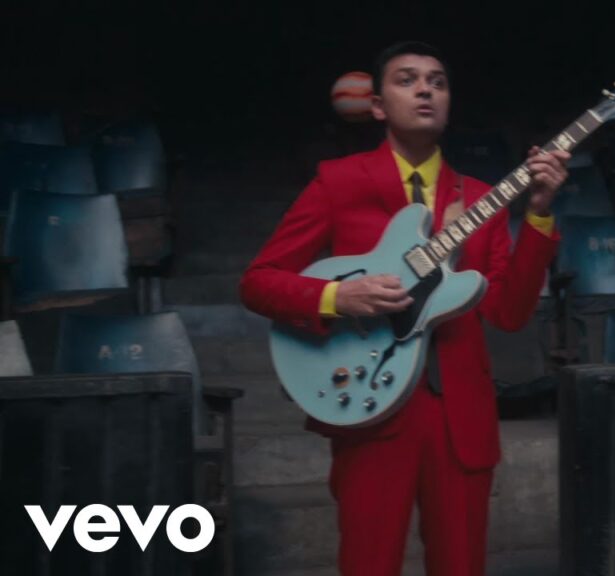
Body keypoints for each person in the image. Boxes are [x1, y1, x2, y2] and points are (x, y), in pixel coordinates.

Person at [239, 41, 570, 576]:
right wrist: (337, 297)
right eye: (407, 80)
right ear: (377, 106)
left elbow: (509, 314)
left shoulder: (481, 197)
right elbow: (258, 282)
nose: (425, 91)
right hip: (370, 406)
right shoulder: (340, 181)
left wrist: (537, 215)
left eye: (437, 82)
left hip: (460, 416)